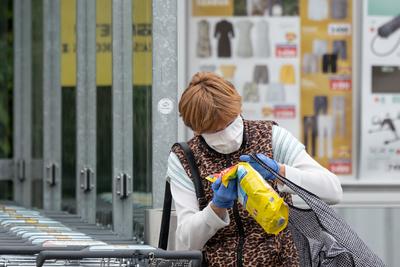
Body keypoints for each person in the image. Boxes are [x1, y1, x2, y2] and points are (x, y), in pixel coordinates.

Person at [166, 72, 343, 266]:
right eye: (215, 131)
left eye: (231, 122)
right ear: (196, 129)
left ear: (239, 108)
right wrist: (216, 208)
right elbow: (186, 241)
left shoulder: (272, 137)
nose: (226, 134)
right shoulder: (185, 158)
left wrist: (281, 172)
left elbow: (333, 191)